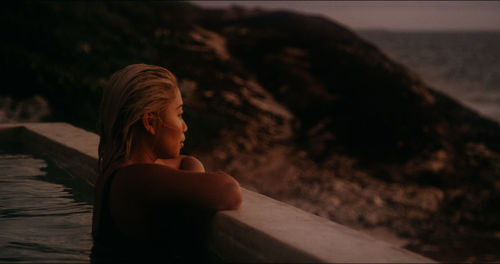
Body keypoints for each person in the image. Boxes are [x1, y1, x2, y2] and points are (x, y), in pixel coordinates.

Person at [91, 64, 242, 263]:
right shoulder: (136, 180)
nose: (184, 126)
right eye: (179, 114)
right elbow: (228, 192)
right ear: (150, 122)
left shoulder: (121, 173)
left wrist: (193, 173)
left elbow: (187, 162)